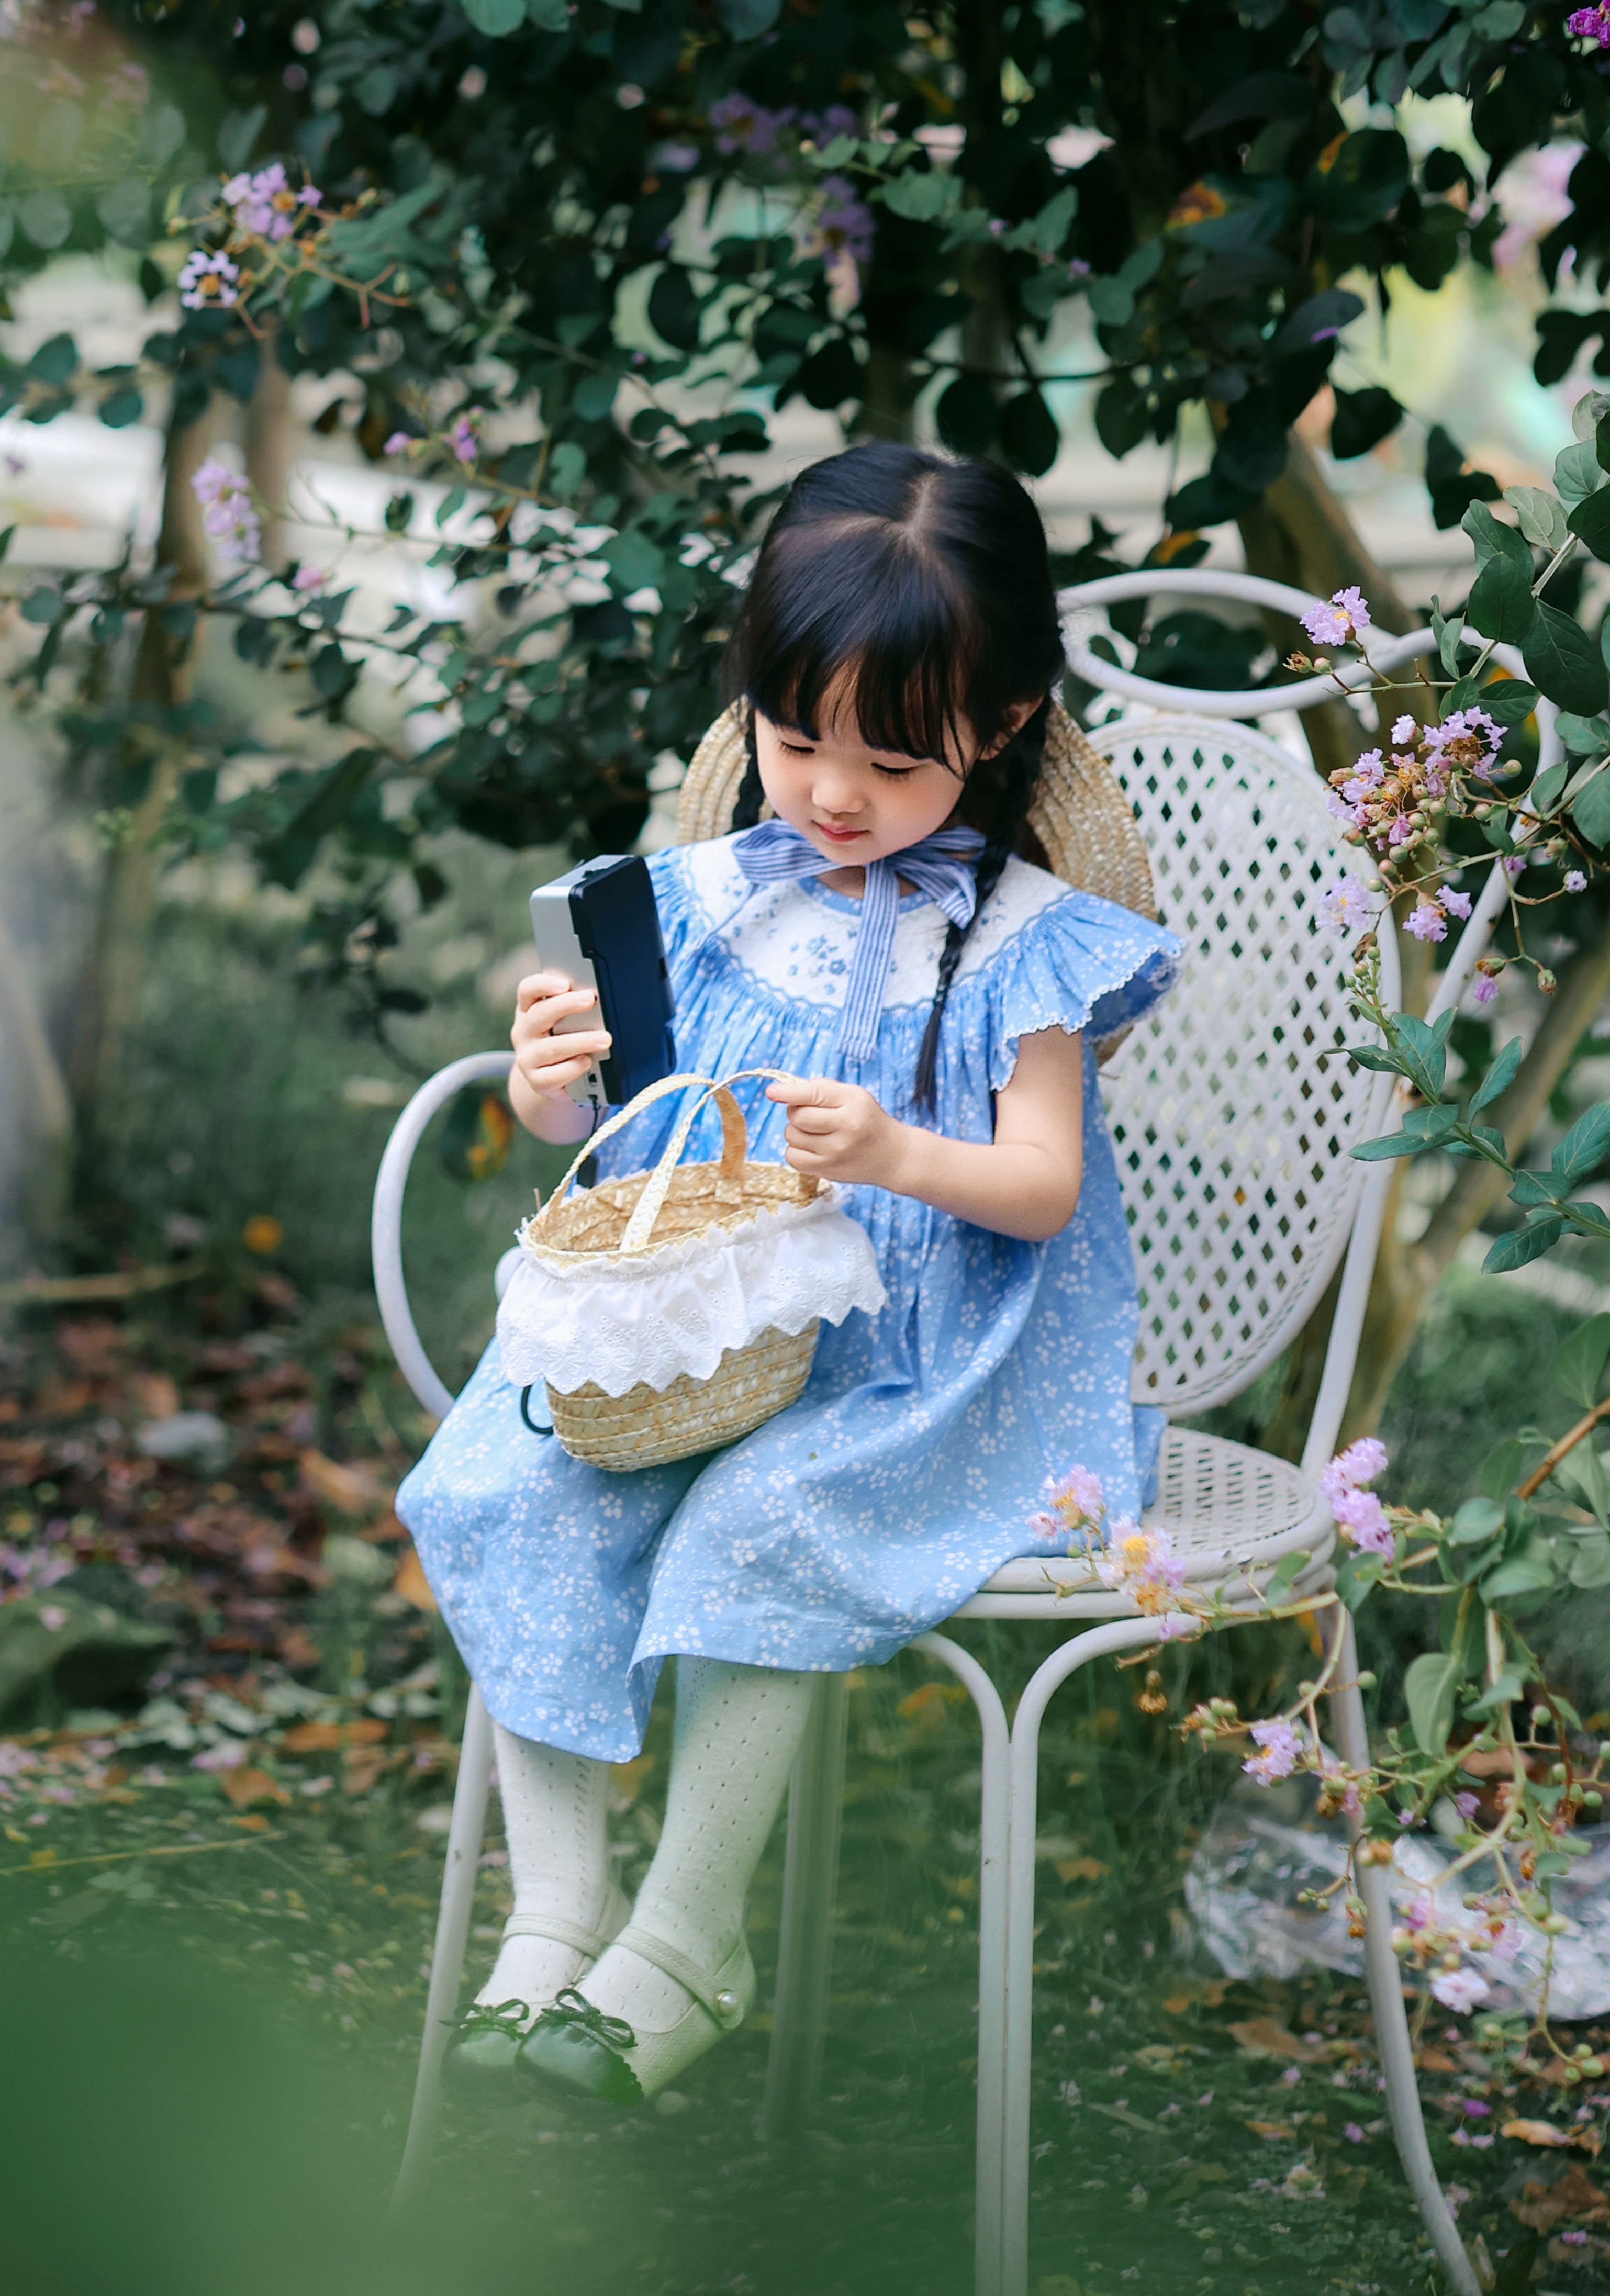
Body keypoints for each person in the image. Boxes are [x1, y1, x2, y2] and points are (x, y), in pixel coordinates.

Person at [395, 441, 1181, 2106]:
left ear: (1003, 727)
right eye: (794, 737)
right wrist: (548, 1074)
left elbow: (1039, 1187)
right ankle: (555, 1914)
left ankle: (686, 1940)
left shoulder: (1028, 939)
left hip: (930, 1363)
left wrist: (898, 1150)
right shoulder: (684, 907)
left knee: (766, 1521)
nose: (831, 793)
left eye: (892, 760)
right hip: (711, 1339)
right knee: (516, 1475)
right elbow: (606, 1137)